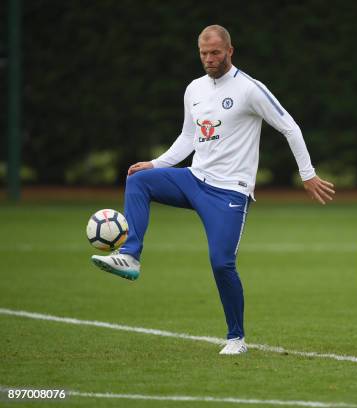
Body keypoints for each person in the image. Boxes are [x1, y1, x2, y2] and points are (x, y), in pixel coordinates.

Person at [91, 25, 335, 355]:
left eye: (215, 52)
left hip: (230, 193)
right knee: (138, 180)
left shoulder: (250, 89)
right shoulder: (194, 89)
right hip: (194, 179)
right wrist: (156, 163)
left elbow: (290, 127)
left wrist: (307, 175)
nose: (209, 59)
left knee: (222, 264)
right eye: (204, 53)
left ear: (230, 51)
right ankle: (130, 255)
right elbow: (188, 138)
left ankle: (237, 338)